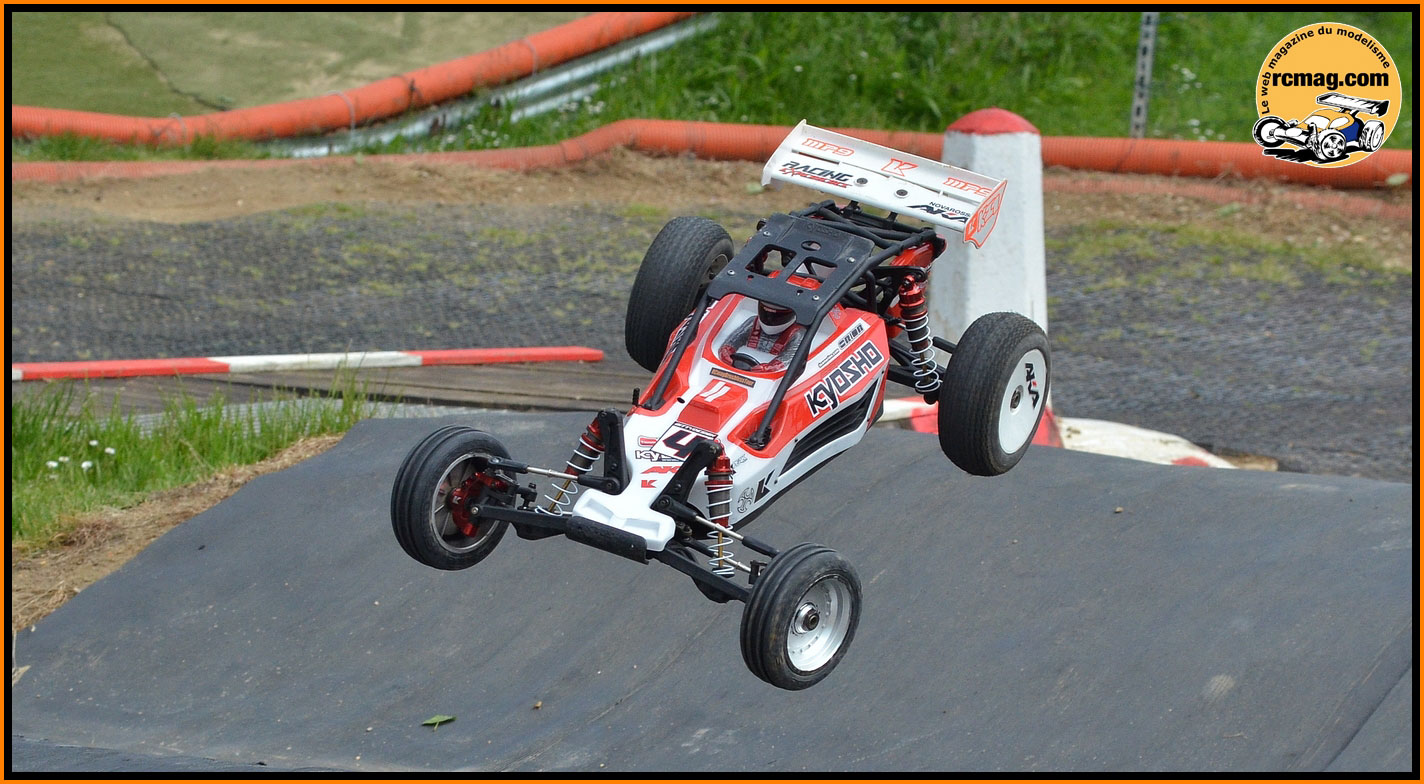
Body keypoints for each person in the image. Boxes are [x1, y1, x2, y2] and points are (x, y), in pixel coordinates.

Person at [717, 300, 805, 373]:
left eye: (777, 317)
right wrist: (726, 352)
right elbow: (736, 338)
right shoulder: (753, 322)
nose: (770, 318)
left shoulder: (797, 334)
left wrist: (770, 367)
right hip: (745, 363)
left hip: (764, 372)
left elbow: (788, 356)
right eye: (766, 314)